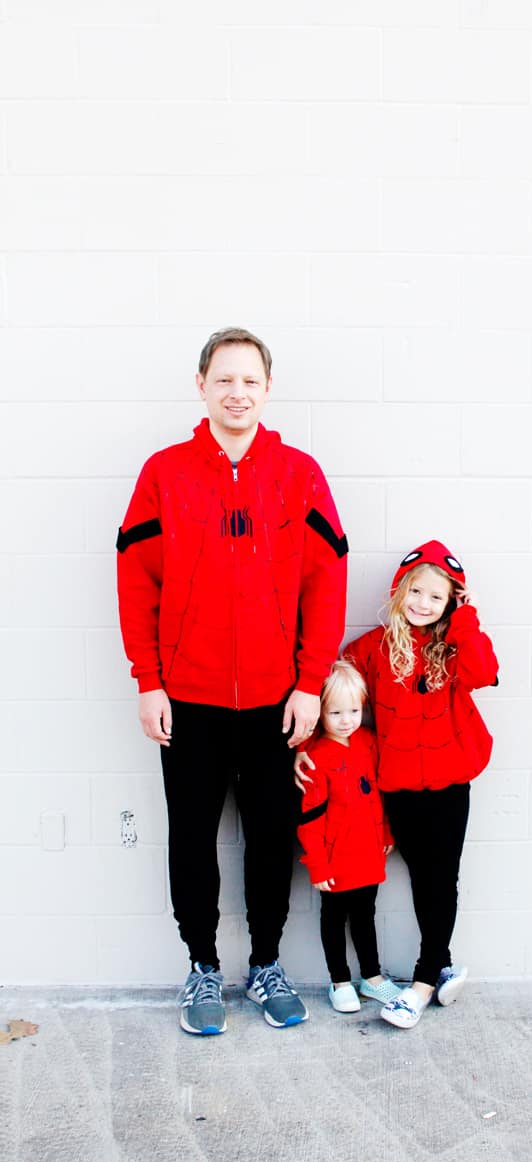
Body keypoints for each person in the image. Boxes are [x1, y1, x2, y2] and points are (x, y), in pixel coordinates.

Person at [116, 327, 348, 1036]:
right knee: (191, 836)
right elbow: (135, 580)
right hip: (189, 699)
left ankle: (269, 966)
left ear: (267, 389)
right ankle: (201, 970)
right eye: (225, 379)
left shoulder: (300, 473)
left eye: (250, 380)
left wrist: (310, 683)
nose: (237, 392)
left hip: (280, 702)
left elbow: (326, 581)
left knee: (273, 838)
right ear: (202, 385)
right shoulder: (165, 473)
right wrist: (148, 681)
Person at [298, 540, 498, 1029]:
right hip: (399, 787)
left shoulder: (454, 644)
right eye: (416, 591)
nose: (423, 604)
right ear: (400, 590)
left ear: (452, 600)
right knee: (420, 878)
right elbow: (334, 694)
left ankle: (424, 980)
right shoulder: (372, 648)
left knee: (440, 877)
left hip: (450, 783)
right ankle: (442, 961)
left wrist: (465, 619)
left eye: (437, 596)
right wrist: (305, 746)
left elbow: (484, 672)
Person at [296, 660, 403, 1013]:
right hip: (334, 859)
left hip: (368, 853)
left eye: (354, 710)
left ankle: (371, 978)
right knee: (333, 918)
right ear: (320, 712)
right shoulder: (314, 758)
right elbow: (309, 818)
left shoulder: (368, 743)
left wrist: (386, 832)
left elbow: (381, 795)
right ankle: (339, 981)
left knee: (365, 916)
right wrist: (317, 864)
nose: (347, 720)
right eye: (336, 712)